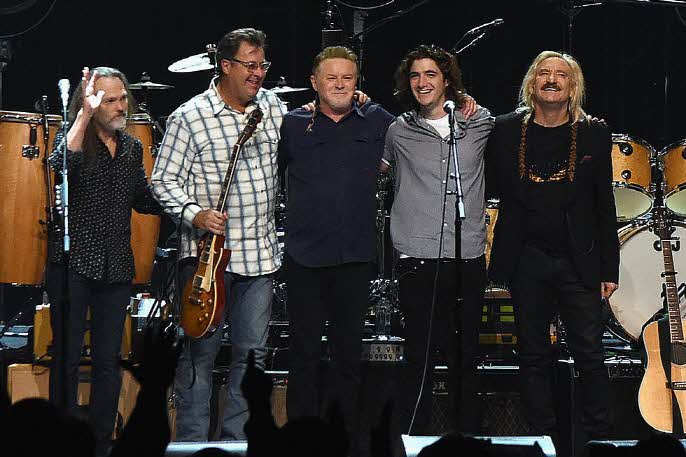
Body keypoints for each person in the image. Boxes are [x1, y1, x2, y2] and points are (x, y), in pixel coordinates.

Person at [150, 27, 284, 441]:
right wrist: (196, 213)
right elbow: (162, 180)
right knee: (199, 356)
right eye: (250, 65)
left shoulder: (272, 107)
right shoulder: (190, 117)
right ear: (225, 66)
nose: (258, 73)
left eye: (262, 65)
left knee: (252, 356)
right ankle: (191, 444)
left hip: (259, 258)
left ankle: (237, 443)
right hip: (206, 261)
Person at [486, 50, 619, 441]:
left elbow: (604, 204)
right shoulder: (505, 129)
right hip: (526, 258)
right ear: (532, 83)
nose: (551, 79)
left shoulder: (594, 132)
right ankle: (540, 438)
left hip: (579, 260)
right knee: (532, 354)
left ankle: (599, 439)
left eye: (561, 75)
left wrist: (609, 268)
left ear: (573, 87)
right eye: (543, 73)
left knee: (590, 353)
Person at [277, 46, 395, 449]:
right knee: (304, 356)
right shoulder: (292, 124)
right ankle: (301, 442)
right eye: (331, 77)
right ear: (315, 83)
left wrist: (462, 103)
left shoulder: (377, 120)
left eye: (348, 77)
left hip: (355, 258)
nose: (340, 85)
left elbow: (416, 131)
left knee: (347, 359)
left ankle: (343, 440)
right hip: (304, 257)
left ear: (357, 82)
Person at [47, 66, 162, 457]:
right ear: (92, 104)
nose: (119, 106)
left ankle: (100, 444)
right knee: (66, 358)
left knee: (108, 361)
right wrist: (82, 114)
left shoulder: (131, 147)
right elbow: (61, 164)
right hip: (74, 265)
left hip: (115, 265)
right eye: (109, 100)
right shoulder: (75, 136)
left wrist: (181, 197)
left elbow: (143, 199)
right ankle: (63, 442)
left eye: (122, 98)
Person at [381, 44, 493, 435]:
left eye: (431, 74)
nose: (422, 82)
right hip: (418, 256)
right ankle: (413, 440)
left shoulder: (478, 122)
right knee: (419, 357)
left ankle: (467, 439)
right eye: (415, 75)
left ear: (447, 80)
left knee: (466, 357)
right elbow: (377, 167)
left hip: (467, 257)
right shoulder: (398, 130)